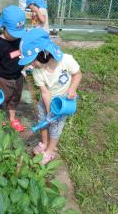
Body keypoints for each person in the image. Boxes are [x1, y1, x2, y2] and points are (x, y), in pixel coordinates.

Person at [19, 28, 82, 164]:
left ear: (43, 54)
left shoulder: (66, 60)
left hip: (62, 104)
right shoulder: (37, 71)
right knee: (44, 123)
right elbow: (45, 92)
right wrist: (49, 112)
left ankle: (50, 151)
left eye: (32, 60)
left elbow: (77, 74)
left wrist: (72, 89)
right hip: (46, 102)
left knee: (55, 128)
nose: (31, 64)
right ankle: (44, 144)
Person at [0, 5, 26, 132]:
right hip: (3, 80)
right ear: (3, 27)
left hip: (18, 76)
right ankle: (1, 119)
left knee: (15, 99)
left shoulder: (19, 39)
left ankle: (12, 118)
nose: (16, 36)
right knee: (2, 101)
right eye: (13, 33)